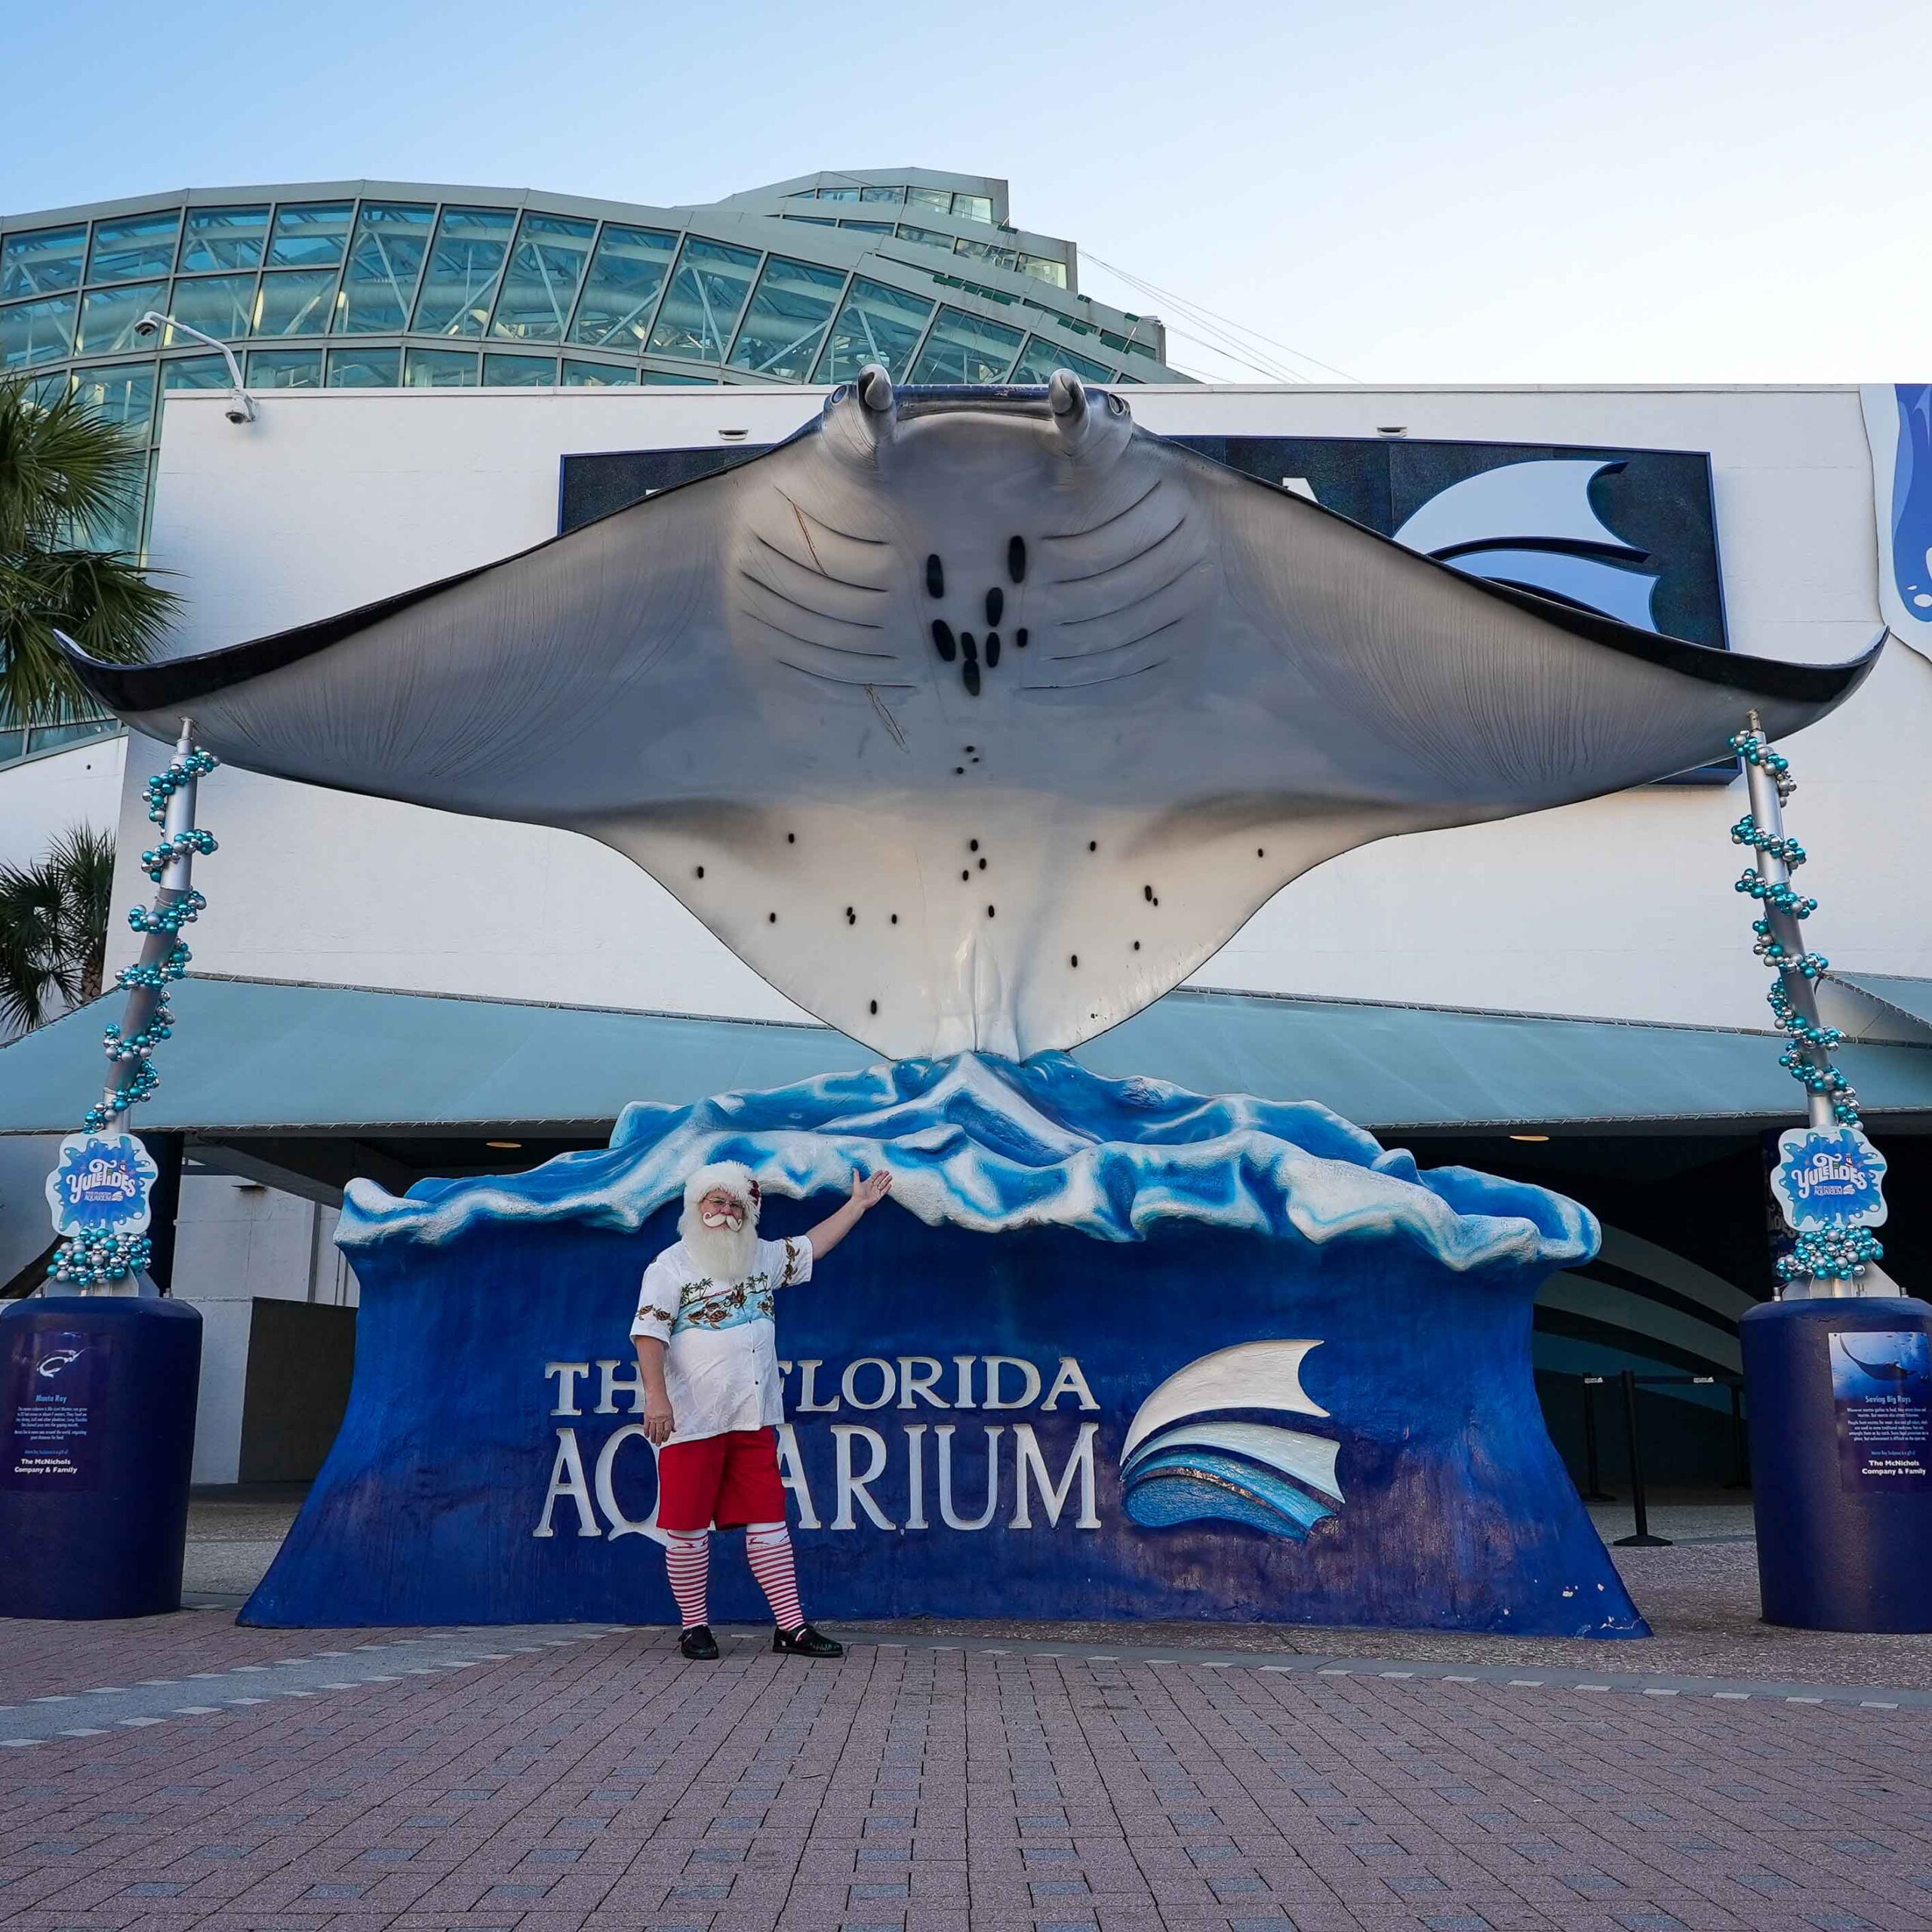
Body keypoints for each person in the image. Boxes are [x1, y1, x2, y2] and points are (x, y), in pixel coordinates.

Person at [632, 1158, 893, 1660]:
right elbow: (649, 1332)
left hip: (753, 1416)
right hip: (693, 1420)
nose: (725, 1211)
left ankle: (791, 1629)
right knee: (686, 1526)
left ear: (749, 1213)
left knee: (769, 1519)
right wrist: (656, 1397)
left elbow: (813, 1245)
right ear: (698, 1205)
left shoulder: (762, 1258)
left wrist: (857, 1206)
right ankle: (694, 1627)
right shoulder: (672, 1265)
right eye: (716, 1201)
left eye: (735, 1204)